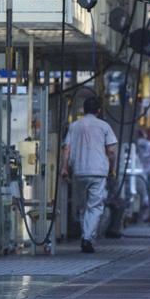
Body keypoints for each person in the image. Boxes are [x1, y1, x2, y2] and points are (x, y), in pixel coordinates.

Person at [60, 96, 118, 253]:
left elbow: (66, 149)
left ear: (84, 110)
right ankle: (87, 238)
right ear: (99, 110)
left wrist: (64, 168)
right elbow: (111, 151)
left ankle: (85, 236)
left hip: (79, 171)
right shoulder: (104, 126)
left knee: (82, 206)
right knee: (95, 206)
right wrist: (112, 168)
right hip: (98, 171)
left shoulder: (74, 126)